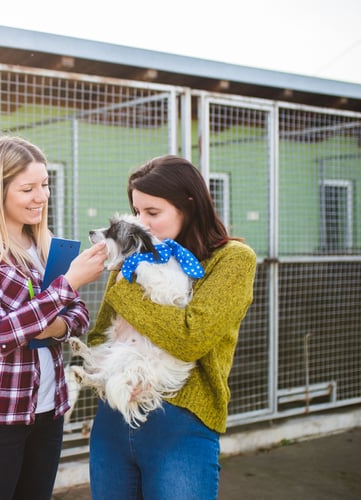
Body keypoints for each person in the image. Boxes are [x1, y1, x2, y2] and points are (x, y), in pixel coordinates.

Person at [86, 155, 257, 500]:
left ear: (188, 206)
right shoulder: (133, 258)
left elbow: (189, 337)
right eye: (136, 212)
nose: (141, 223)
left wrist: (125, 287)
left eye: (153, 213)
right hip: (115, 417)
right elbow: (98, 333)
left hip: (181, 423)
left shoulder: (232, 260)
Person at [0, 136, 108, 499]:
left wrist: (57, 322)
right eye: (28, 188)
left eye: (45, 185)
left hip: (47, 410)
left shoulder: (45, 243)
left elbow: (79, 315)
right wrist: (65, 287)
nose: (41, 196)